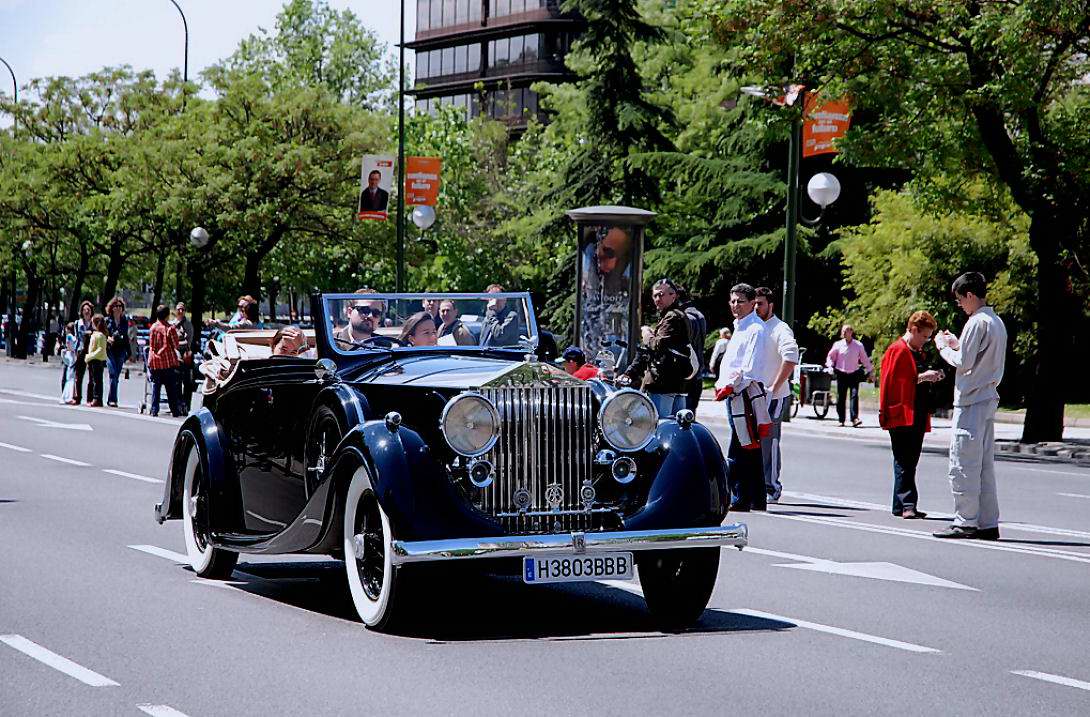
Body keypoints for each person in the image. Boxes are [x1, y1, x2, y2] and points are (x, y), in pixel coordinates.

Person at [932, 272, 1008, 540]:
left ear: (970, 296)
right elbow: (974, 354)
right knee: (984, 466)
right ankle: (988, 522)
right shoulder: (995, 322)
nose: (960, 305)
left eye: (960, 300)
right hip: (988, 397)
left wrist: (943, 347)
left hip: (971, 400)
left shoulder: (976, 322)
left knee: (963, 462)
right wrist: (957, 343)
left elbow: (963, 362)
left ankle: (965, 521)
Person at [880, 310, 944, 520]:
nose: (925, 341)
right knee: (904, 459)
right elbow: (892, 382)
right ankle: (907, 504)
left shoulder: (916, 352)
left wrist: (931, 377)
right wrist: (922, 377)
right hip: (901, 412)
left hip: (916, 411)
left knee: (910, 460)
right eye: (924, 336)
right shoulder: (897, 350)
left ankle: (901, 504)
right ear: (914, 330)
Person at [714, 283, 770, 512]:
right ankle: (756, 497)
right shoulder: (740, 327)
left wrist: (731, 385)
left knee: (740, 446)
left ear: (751, 304)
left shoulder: (755, 329)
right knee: (749, 445)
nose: (735, 305)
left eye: (740, 301)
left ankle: (741, 496)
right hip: (735, 391)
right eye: (733, 301)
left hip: (743, 393)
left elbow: (750, 367)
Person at [622, 278, 694, 418]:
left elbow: (657, 346)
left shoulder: (672, 317)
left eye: (661, 294)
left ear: (673, 295)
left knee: (658, 428)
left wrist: (646, 334)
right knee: (675, 430)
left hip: (662, 383)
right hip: (677, 384)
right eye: (655, 295)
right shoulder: (676, 316)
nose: (657, 299)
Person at [754, 287, 799, 504]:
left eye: (760, 303)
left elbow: (791, 357)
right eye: (754, 303)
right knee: (748, 441)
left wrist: (773, 387)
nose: (756, 307)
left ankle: (771, 487)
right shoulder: (751, 326)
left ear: (770, 305)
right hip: (750, 395)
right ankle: (750, 485)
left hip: (774, 396)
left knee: (768, 441)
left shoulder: (780, 329)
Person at [825, 324, 873, 427]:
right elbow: (830, 357)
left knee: (854, 395)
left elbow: (864, 359)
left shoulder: (858, 345)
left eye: (846, 330)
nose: (843, 333)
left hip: (853, 373)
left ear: (851, 332)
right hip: (841, 373)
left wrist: (870, 370)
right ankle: (841, 419)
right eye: (842, 331)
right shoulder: (838, 345)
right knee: (841, 397)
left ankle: (854, 418)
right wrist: (830, 366)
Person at [147, 304, 184, 417]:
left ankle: (154, 409)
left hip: (154, 361)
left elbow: (152, 345)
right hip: (167, 362)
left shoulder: (153, 327)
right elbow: (176, 345)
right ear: (167, 315)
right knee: (171, 388)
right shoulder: (170, 328)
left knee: (156, 387)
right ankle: (175, 410)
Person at [677, 285, 708, 414]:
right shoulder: (699, 315)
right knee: (690, 415)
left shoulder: (685, 317)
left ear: (676, 297)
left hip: (686, 375)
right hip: (697, 374)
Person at [103, 297, 131, 407]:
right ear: (112, 308)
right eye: (116, 306)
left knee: (116, 375)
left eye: (120, 306)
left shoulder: (124, 321)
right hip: (110, 350)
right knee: (112, 373)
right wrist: (108, 338)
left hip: (121, 350)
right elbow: (102, 334)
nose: (118, 308)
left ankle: (113, 398)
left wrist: (130, 353)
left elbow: (126, 336)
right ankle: (112, 399)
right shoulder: (106, 321)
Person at [69, 300, 95, 405]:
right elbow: (75, 337)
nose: (86, 311)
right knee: (78, 376)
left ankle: (90, 399)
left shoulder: (94, 323)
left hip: (91, 350)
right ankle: (77, 397)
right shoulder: (77, 323)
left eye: (88, 310)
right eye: (84, 310)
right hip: (80, 350)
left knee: (91, 377)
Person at [171, 302, 196, 411]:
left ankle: (186, 405)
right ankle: (178, 404)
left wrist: (178, 345)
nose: (180, 311)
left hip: (186, 355)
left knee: (187, 382)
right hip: (175, 355)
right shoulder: (172, 324)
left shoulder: (188, 324)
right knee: (176, 381)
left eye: (183, 309)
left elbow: (188, 341)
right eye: (179, 309)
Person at [85, 314, 108, 408]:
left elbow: (100, 350)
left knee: (97, 381)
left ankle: (97, 398)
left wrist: (89, 356)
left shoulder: (101, 335)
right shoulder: (95, 334)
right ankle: (95, 398)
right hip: (93, 360)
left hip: (97, 360)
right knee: (94, 380)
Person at [59, 322, 78, 404]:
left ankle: (67, 396)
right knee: (70, 378)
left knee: (69, 378)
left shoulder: (69, 336)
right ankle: (68, 397)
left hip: (70, 357)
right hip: (71, 356)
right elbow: (70, 347)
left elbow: (69, 346)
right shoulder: (71, 337)